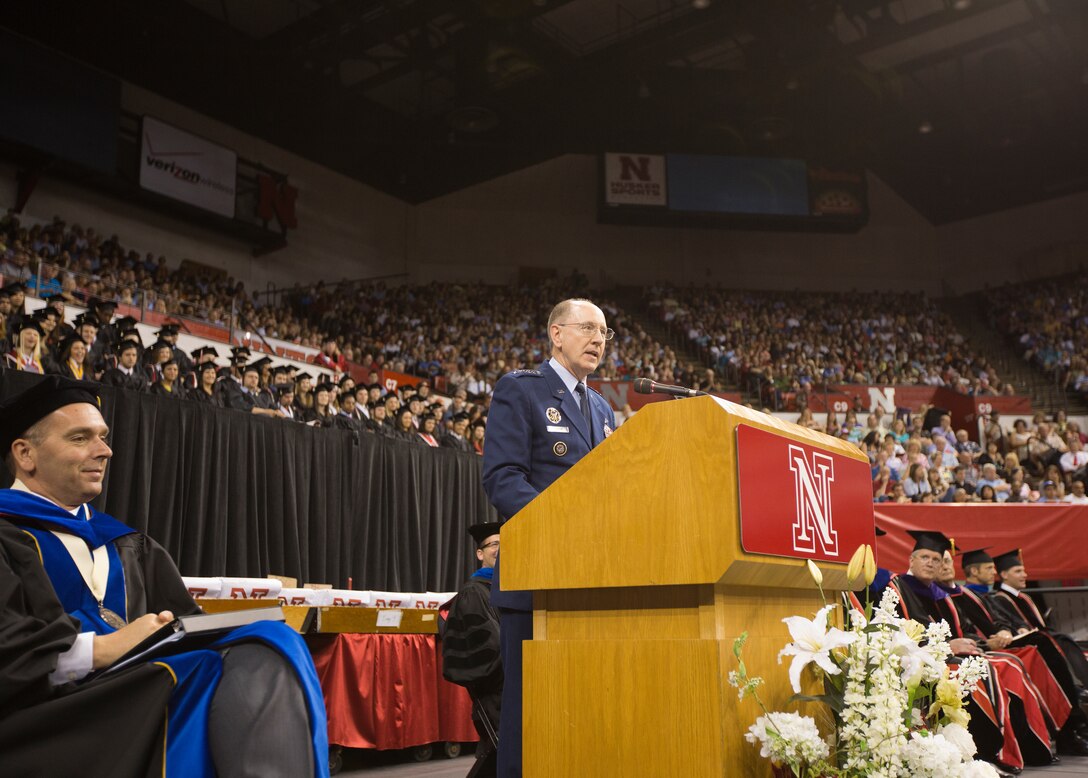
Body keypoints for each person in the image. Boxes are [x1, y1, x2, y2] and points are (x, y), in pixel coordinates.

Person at [0, 375, 328, 777]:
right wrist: (105, 648)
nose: (105, 450)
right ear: (24, 453)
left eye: (103, 436)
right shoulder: (5, 535)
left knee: (270, 641)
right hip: (46, 720)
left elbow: (185, 623)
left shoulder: (129, 544)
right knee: (207, 671)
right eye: (80, 438)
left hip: (135, 700)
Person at [482, 298, 617, 778]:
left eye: (605, 332)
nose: (599, 339)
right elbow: (502, 479)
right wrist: (567, 524)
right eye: (588, 328)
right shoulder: (521, 391)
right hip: (537, 579)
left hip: (591, 583)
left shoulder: (602, 408)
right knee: (529, 722)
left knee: (579, 716)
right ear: (557, 334)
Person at [442, 522, 504, 778]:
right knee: (498, 754)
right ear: (480, 553)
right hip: (495, 694)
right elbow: (489, 650)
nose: (500, 549)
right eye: (494, 544)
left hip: (517, 688)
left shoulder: (513, 589)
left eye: (506, 543)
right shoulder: (473, 594)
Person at [987, 550, 1088, 693]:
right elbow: (1013, 624)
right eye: (1018, 571)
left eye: (1023, 571)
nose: (1025, 575)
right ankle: (1073, 688)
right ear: (1004, 575)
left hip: (1039, 636)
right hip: (1026, 641)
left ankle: (1078, 686)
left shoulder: (1024, 597)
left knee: (1063, 640)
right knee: (1059, 642)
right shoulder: (1000, 599)